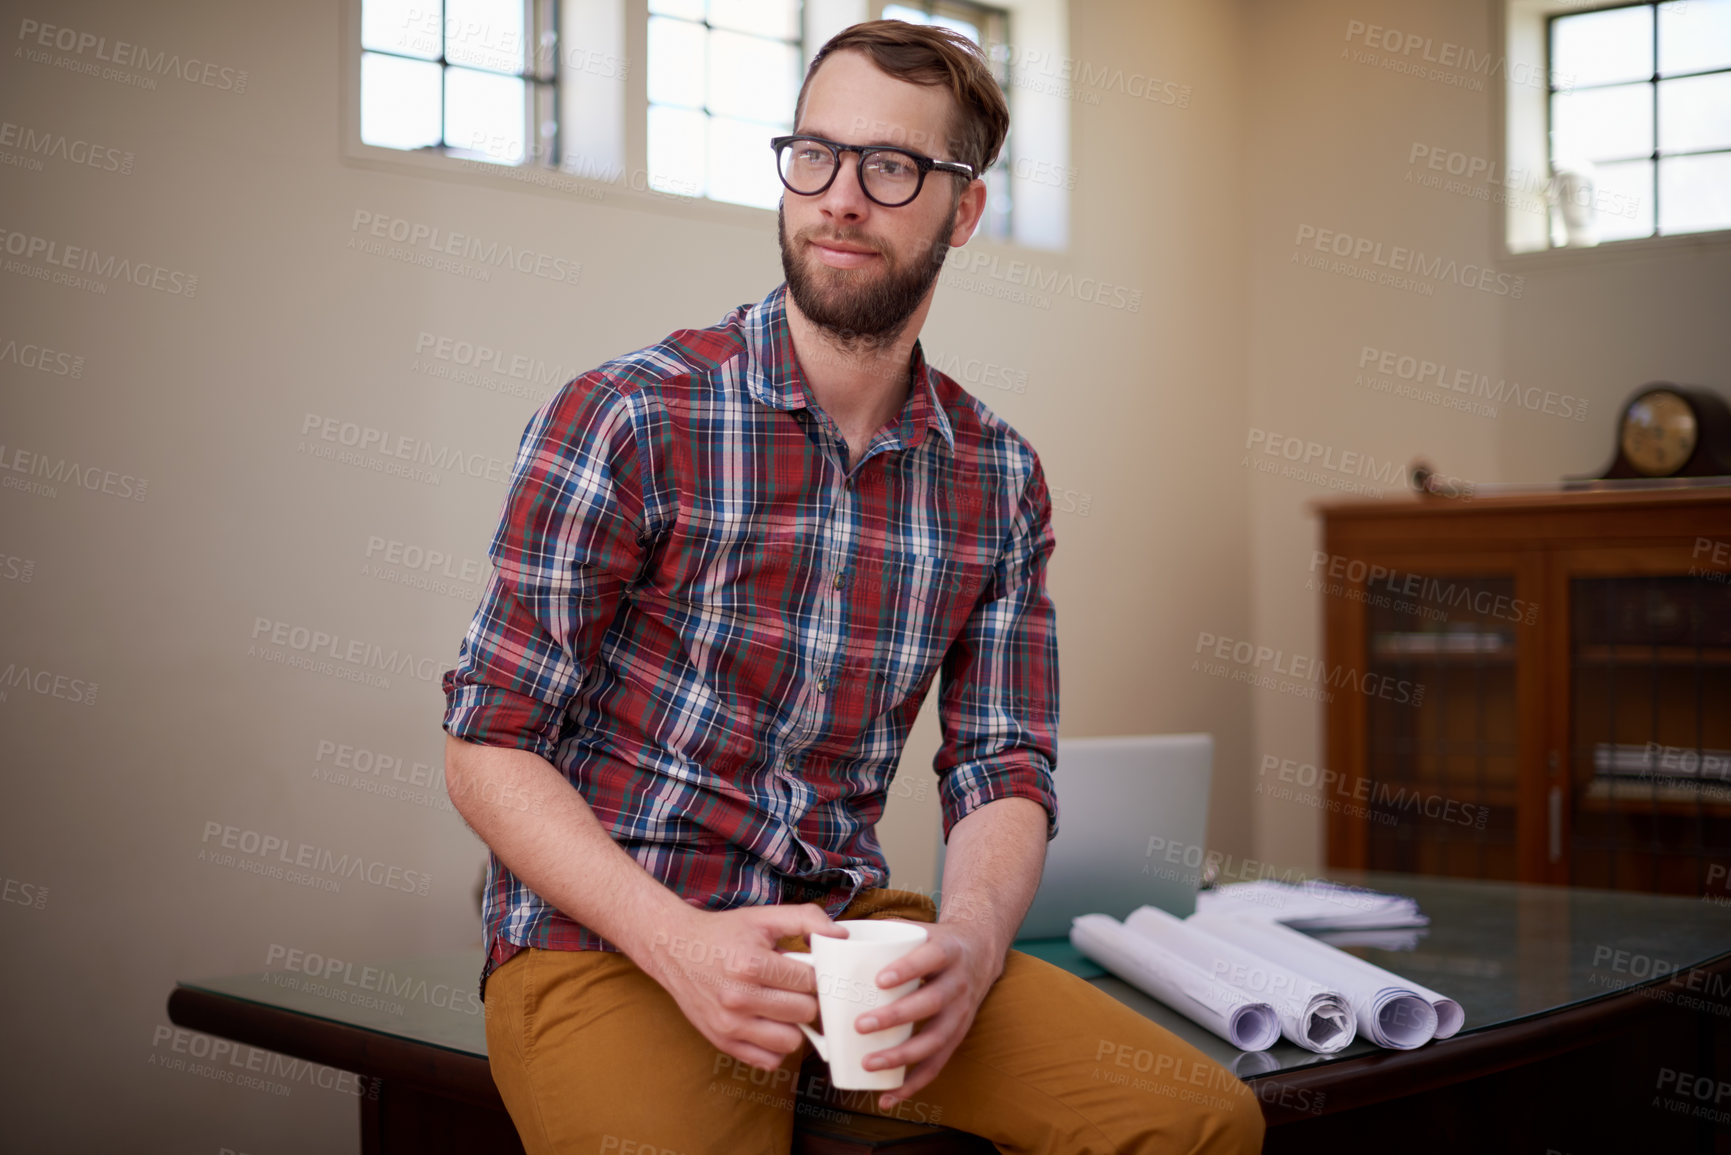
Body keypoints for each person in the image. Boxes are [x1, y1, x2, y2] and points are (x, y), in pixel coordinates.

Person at [440, 19, 1265, 1155]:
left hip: (843, 937)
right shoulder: (628, 417)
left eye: (891, 167)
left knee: (1202, 1123)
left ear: (963, 210)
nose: (840, 198)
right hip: (611, 938)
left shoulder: (996, 477)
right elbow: (490, 742)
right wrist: (682, 944)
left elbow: (1000, 764)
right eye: (814, 156)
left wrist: (971, 946)